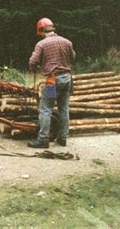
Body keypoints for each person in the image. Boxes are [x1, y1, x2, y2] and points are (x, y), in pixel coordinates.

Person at [28, 17, 75, 148]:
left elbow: (32, 62)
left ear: (42, 31)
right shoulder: (67, 42)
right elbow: (73, 57)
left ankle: (43, 139)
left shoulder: (42, 44)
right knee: (64, 108)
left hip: (52, 81)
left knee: (45, 109)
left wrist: (34, 68)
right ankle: (63, 137)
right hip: (67, 79)